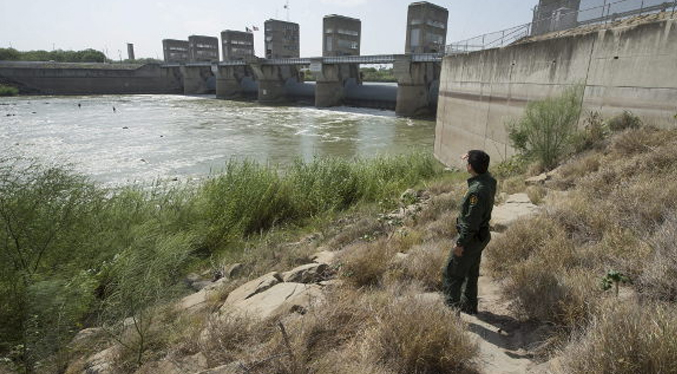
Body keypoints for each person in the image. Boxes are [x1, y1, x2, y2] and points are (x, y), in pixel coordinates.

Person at [443, 150, 496, 315]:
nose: (466, 164)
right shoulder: (489, 180)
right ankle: (469, 307)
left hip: (471, 239)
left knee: (452, 273)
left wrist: (460, 243)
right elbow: (483, 165)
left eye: (468, 162)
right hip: (481, 236)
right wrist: (473, 154)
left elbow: (471, 222)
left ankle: (451, 314)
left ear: (471, 167)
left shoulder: (476, 191)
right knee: (471, 273)